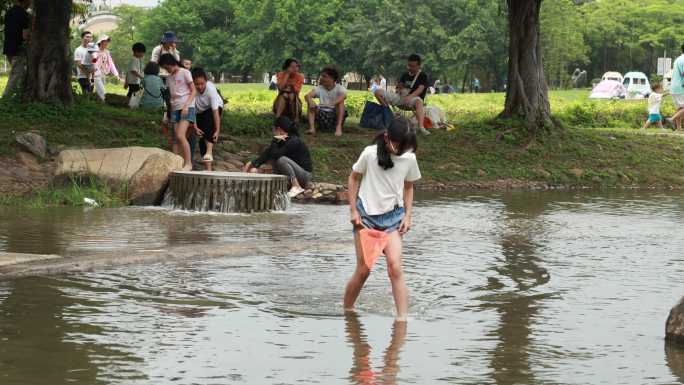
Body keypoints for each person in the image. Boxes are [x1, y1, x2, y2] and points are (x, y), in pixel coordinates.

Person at [343, 116, 421, 322]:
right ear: (387, 138)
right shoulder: (369, 154)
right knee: (364, 270)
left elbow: (409, 186)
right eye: (398, 146)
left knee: (395, 267)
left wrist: (408, 216)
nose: (401, 151)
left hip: (394, 218)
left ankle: (402, 320)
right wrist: (353, 211)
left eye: (405, 148)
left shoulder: (409, 158)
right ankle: (347, 312)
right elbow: (353, 178)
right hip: (366, 218)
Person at [243, 116, 313, 198]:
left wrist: (274, 141)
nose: (273, 131)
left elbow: (276, 155)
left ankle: (296, 186)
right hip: (294, 173)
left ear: (279, 129)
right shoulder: (281, 140)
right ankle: (278, 186)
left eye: (274, 129)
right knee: (271, 159)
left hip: (304, 175)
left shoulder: (293, 141)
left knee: (281, 160)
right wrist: (252, 164)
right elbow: (267, 154)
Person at [374, 54, 430, 135]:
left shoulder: (423, 75)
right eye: (409, 65)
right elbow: (399, 87)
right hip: (400, 98)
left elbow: (420, 89)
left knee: (419, 102)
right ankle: (389, 115)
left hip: (413, 100)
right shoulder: (405, 74)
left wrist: (410, 97)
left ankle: (421, 127)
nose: (410, 68)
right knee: (377, 92)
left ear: (419, 66)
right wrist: (399, 89)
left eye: (413, 66)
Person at [159, 53, 196, 171]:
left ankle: (189, 163)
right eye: (165, 68)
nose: (166, 69)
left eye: (167, 67)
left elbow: (193, 91)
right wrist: (168, 111)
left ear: (171, 63)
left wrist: (186, 105)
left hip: (186, 107)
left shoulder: (185, 72)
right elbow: (171, 97)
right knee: (175, 138)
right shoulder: (169, 78)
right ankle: (177, 163)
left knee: (180, 135)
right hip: (175, 108)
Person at [192, 67, 224, 168]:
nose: (200, 87)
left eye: (202, 84)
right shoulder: (191, 91)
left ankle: (209, 152)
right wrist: (195, 127)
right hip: (199, 112)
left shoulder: (211, 89)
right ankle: (208, 168)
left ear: (206, 81)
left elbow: (215, 112)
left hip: (214, 108)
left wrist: (217, 130)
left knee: (208, 122)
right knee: (202, 137)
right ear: (193, 83)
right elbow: (192, 111)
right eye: (197, 84)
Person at [305, 66, 347, 136]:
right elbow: (307, 96)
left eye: (324, 76)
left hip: (334, 114)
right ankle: (312, 128)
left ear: (332, 78)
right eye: (321, 76)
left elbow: (344, 96)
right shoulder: (319, 88)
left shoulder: (339, 88)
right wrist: (310, 101)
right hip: (322, 113)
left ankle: (338, 127)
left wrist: (331, 104)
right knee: (310, 103)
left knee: (340, 102)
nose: (321, 78)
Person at [2, 0, 31, 98]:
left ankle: (20, 97)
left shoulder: (9, 13)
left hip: (8, 48)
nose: (30, 3)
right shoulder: (24, 14)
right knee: (16, 75)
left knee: (22, 75)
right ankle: (5, 99)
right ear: (25, 1)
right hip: (18, 49)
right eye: (29, 1)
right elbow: (25, 35)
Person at [273, 58, 305, 124]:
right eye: (292, 67)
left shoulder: (300, 76)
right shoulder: (281, 74)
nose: (295, 68)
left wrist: (287, 89)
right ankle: (277, 118)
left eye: (296, 66)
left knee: (291, 95)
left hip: (294, 101)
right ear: (287, 68)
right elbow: (280, 88)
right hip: (280, 101)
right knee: (284, 95)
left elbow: (296, 90)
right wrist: (287, 75)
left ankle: (295, 118)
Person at [92, 35, 122, 102]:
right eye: (104, 41)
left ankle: (96, 105)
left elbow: (111, 63)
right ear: (100, 42)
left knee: (98, 92)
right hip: (96, 75)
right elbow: (93, 60)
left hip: (103, 74)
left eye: (107, 42)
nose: (106, 43)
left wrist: (116, 74)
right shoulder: (95, 51)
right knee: (102, 92)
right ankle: (104, 104)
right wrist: (97, 55)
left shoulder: (107, 52)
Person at [667, 44, 684, 131]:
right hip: (680, 87)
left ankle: (679, 128)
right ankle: (671, 119)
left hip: (674, 87)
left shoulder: (678, 59)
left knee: (680, 108)